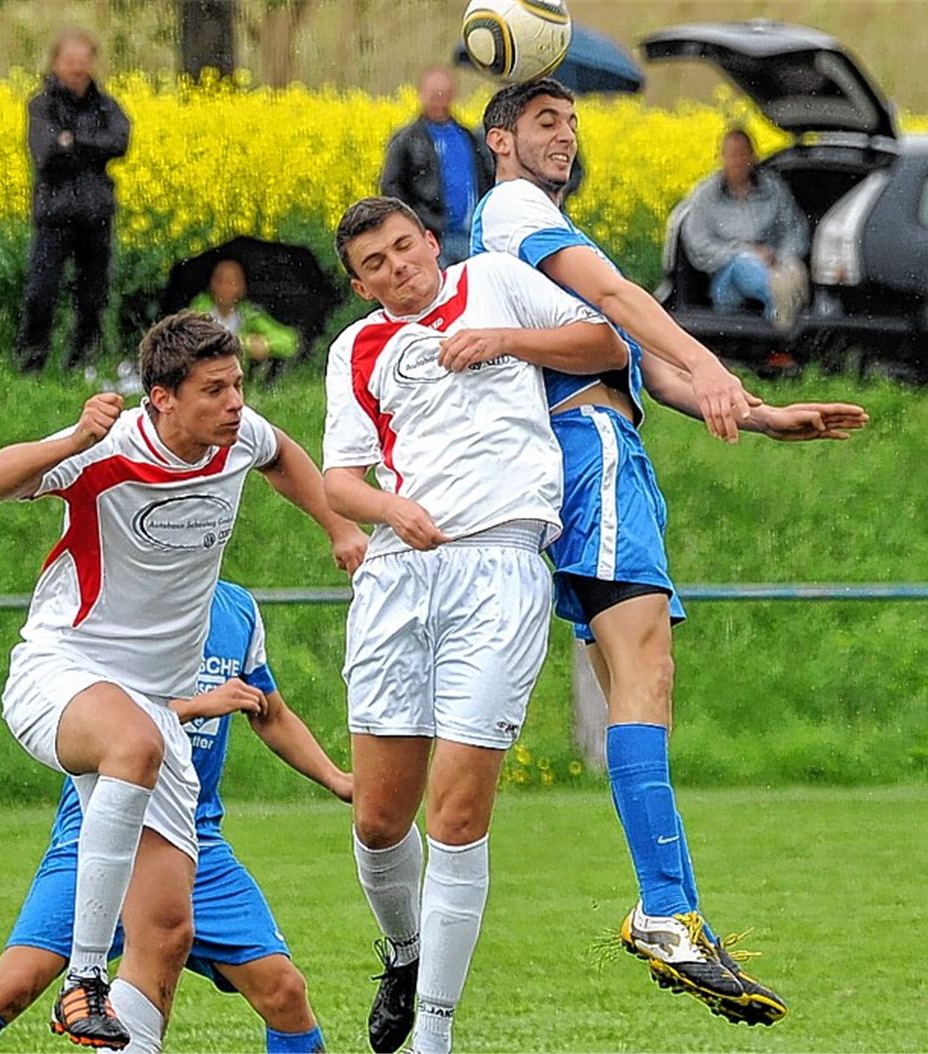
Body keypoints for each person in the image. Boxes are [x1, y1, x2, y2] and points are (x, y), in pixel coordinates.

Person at [469, 77, 868, 1026]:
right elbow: (615, 304)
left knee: (633, 678)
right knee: (643, 674)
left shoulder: (524, 240)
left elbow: (624, 350)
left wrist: (759, 417)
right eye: (543, 123)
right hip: (592, 454)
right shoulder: (517, 207)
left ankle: (668, 910)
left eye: (571, 123)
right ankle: (666, 911)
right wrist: (721, 368)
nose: (563, 138)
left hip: (591, 452)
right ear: (500, 140)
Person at [0, 310, 367, 1049]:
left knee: (166, 932)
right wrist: (73, 438)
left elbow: (282, 454)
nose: (234, 403)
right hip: (62, 672)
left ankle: (115, 1011)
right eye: (214, 390)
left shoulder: (237, 436)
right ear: (162, 398)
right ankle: (83, 980)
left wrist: (338, 527)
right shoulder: (107, 451)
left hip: (152, 712)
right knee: (131, 744)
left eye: (238, 385)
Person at [323, 196, 629, 1054]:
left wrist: (507, 341)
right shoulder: (357, 350)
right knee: (381, 820)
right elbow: (340, 480)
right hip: (398, 576)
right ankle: (404, 953)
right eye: (375, 265)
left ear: (429, 240)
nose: (397, 269)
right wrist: (393, 509)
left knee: (457, 818)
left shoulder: (495, 281)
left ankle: (435, 1034)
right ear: (359, 284)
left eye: (403, 249)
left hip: (499, 571)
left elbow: (609, 343)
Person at [0, 580, 351, 1054]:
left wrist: (338, 779)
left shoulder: (238, 609)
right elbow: (104, 714)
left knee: (284, 991)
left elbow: (270, 713)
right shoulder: (124, 603)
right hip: (101, 827)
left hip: (196, 840)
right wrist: (197, 706)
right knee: (15, 985)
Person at [15, 28, 130, 374]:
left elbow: (120, 142)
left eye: (84, 61)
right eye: (70, 61)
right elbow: (46, 153)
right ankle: (30, 363)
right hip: (55, 214)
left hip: (95, 214)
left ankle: (81, 364)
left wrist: (72, 141)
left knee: (93, 297)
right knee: (41, 293)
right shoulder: (41, 105)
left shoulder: (106, 105)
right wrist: (89, 146)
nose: (78, 69)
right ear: (55, 63)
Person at [681, 127, 810, 330]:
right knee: (745, 265)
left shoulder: (773, 188)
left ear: (753, 156)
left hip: (775, 264)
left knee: (792, 271)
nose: (738, 161)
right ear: (722, 157)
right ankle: (781, 299)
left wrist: (780, 257)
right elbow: (699, 245)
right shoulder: (705, 195)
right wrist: (745, 252)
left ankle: (778, 337)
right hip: (725, 277)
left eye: (743, 154)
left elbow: (795, 230)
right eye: (732, 155)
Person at [380, 67, 493, 267]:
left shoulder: (468, 136)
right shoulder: (407, 139)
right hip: (435, 237)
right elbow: (391, 187)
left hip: (473, 237)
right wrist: (418, 225)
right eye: (434, 95)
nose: (439, 100)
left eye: (444, 94)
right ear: (421, 94)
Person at [190, 260, 300, 385]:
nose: (225, 287)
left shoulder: (248, 314)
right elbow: (192, 343)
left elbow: (289, 342)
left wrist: (266, 344)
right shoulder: (199, 311)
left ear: (241, 287)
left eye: (232, 282)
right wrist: (244, 344)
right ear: (212, 284)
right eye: (220, 281)